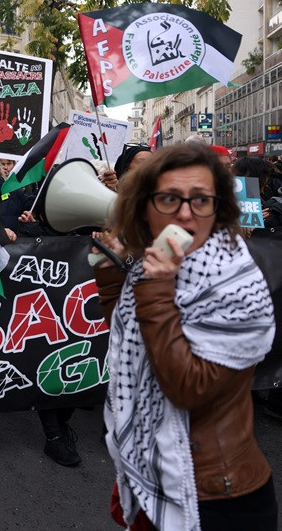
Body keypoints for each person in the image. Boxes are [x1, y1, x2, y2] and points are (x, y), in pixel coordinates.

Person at [94, 144, 276, 530]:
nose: (185, 213)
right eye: (169, 198)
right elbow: (140, 343)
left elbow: (188, 388)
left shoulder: (236, 281)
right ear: (144, 207)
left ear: (220, 208)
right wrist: (112, 278)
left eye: (201, 200)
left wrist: (155, 289)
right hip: (156, 469)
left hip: (217, 498)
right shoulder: (161, 263)